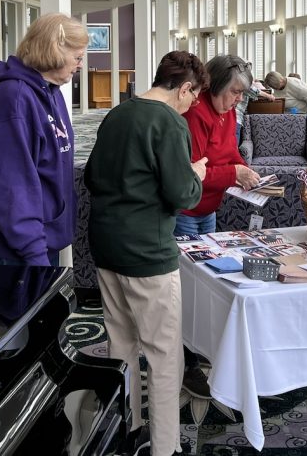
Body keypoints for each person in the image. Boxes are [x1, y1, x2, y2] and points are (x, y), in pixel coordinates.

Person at [85, 51, 208, 456]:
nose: (192, 105)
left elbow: (90, 176)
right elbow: (181, 195)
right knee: (163, 353)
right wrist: (197, 174)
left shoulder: (118, 114)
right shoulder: (169, 121)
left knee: (119, 345)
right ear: (185, 87)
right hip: (147, 250)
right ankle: (166, 448)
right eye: (193, 96)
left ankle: (125, 427)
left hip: (105, 244)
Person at [0, 13, 87, 267]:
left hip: (39, 240)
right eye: (77, 58)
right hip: (15, 249)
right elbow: (11, 187)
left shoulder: (51, 93)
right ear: (55, 50)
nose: (80, 66)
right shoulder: (14, 99)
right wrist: (34, 253)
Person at [179, 54, 260, 399]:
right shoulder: (196, 115)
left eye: (242, 94)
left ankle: (203, 351)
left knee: (207, 285)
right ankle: (184, 364)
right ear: (213, 86)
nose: (237, 100)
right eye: (234, 93)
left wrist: (248, 172)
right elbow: (191, 172)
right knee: (183, 291)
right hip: (185, 210)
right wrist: (234, 174)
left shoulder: (228, 114)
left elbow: (228, 155)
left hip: (208, 209)